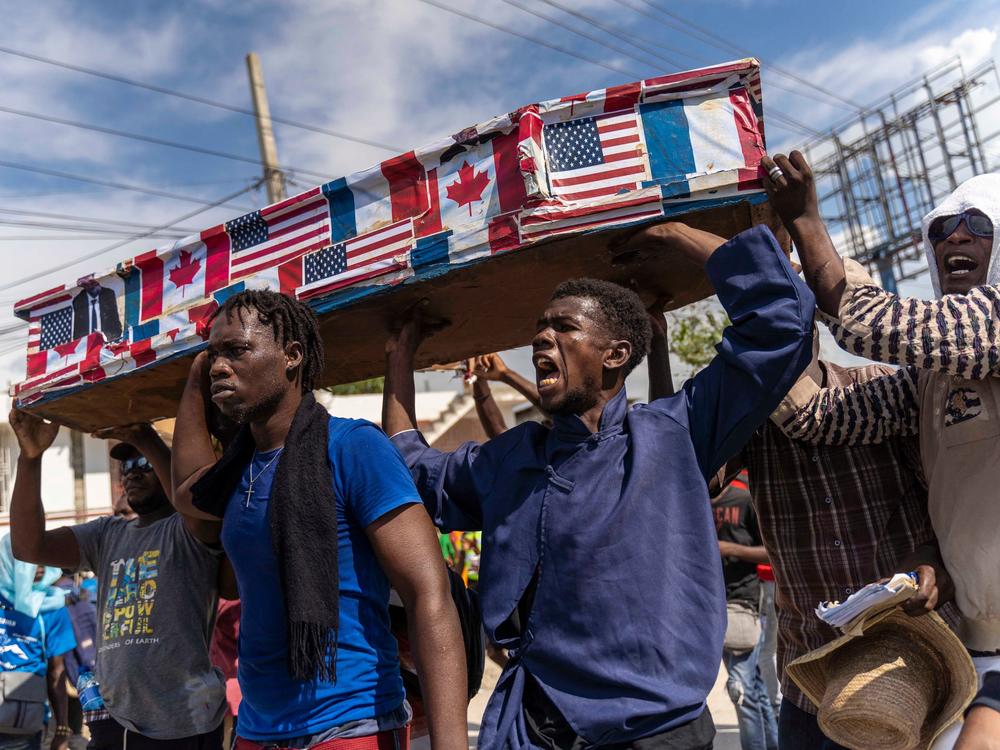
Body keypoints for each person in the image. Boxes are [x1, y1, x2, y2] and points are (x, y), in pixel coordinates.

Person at [383, 220, 815, 749]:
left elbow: (782, 321)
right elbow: (413, 469)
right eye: (541, 326)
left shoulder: (673, 434)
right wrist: (399, 356)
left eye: (564, 327)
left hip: (657, 730)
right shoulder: (513, 458)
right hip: (536, 727)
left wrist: (675, 232)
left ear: (614, 354)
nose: (541, 336)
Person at [760, 151, 1000, 748]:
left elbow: (870, 321)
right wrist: (761, 312)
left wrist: (806, 222)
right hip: (972, 644)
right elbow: (819, 417)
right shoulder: (929, 378)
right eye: (942, 229)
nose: (957, 237)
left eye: (979, 225)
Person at [169, 290, 467, 750]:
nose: (219, 367)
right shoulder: (236, 471)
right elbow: (187, 485)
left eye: (237, 351)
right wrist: (193, 379)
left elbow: (429, 595)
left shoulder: (353, 447)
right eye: (213, 356)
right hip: (258, 727)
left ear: (292, 356)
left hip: (350, 723)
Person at [8, 415, 227, 750]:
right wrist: (30, 458)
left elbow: (195, 507)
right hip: (114, 720)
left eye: (143, 462)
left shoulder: (189, 531)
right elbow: (27, 546)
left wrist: (146, 437)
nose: (132, 472)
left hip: (181, 723)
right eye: (125, 466)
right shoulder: (107, 534)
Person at [711, 474, 777, 750]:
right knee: (754, 687)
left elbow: (772, 551)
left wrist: (730, 549)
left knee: (741, 689)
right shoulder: (695, 502)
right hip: (712, 604)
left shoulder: (744, 498)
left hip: (745, 601)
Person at [0, 535, 75, 750]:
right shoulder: (53, 607)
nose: (39, 564)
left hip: (21, 722)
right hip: (23, 715)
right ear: (6, 559)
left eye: (41, 555)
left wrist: (62, 730)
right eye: (28, 557)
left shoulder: (53, 605)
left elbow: (57, 673)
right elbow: (55, 672)